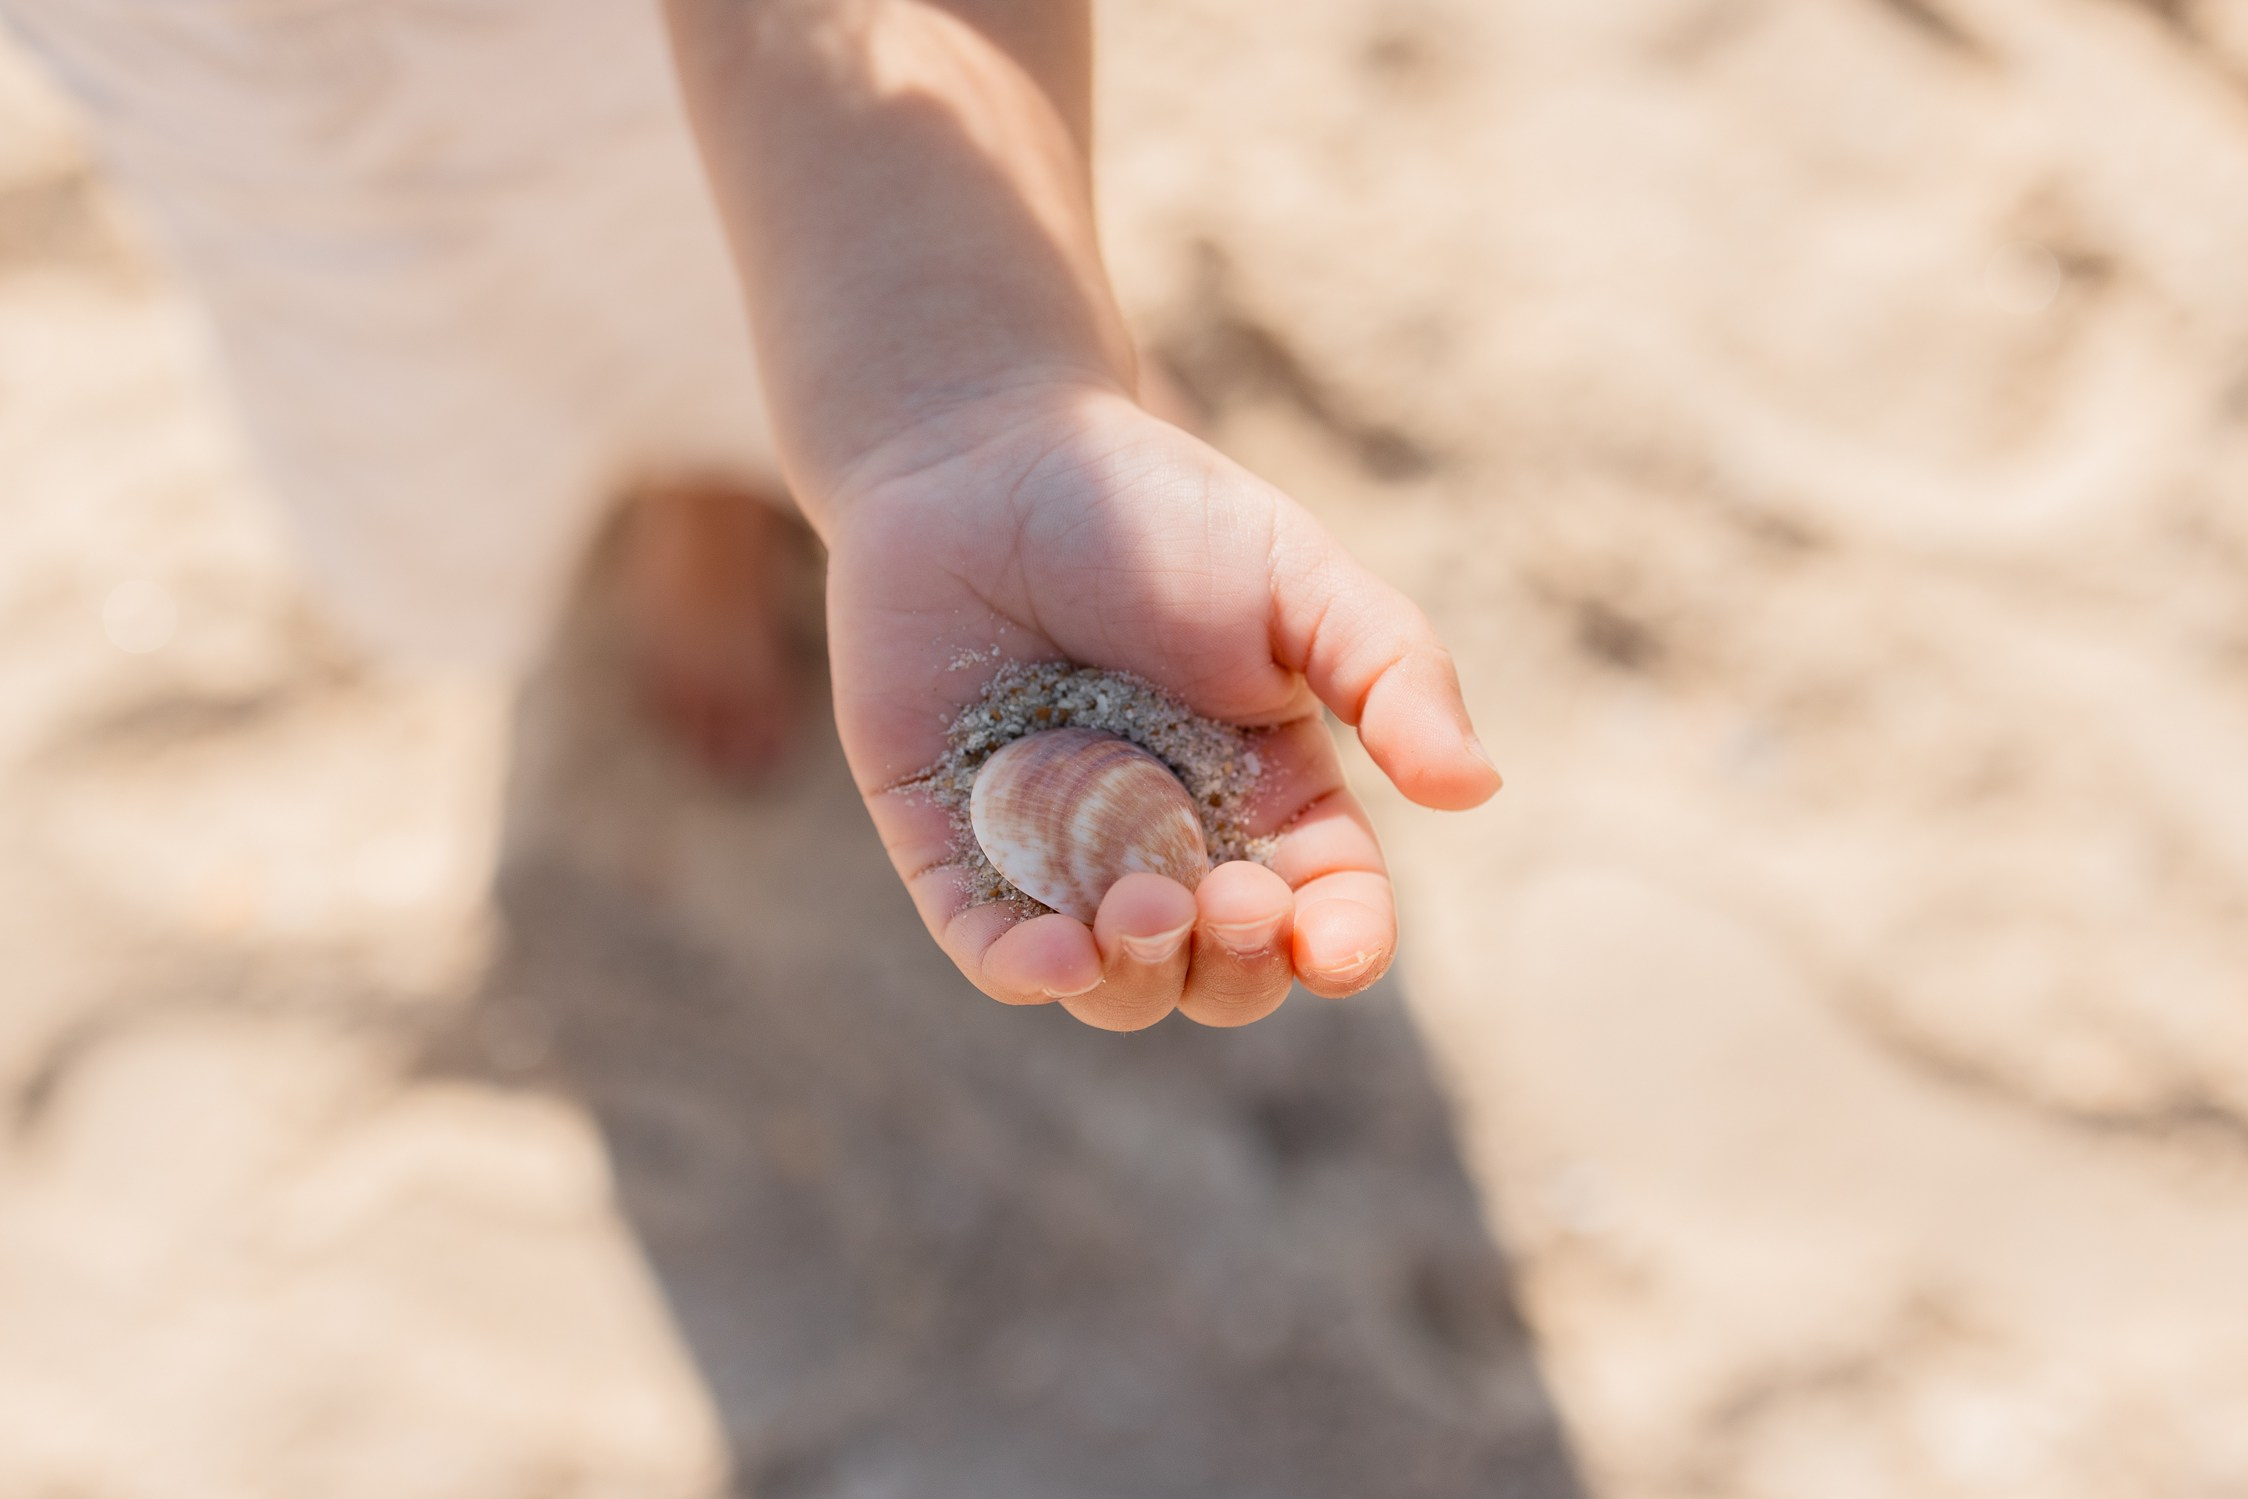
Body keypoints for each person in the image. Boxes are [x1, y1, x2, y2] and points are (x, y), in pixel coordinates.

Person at [7, 0, 1501, 1032]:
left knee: (707, 265)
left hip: (696, 64)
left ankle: (757, 469)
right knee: (417, 332)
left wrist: (972, 391)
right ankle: (694, 474)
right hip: (227, 95)